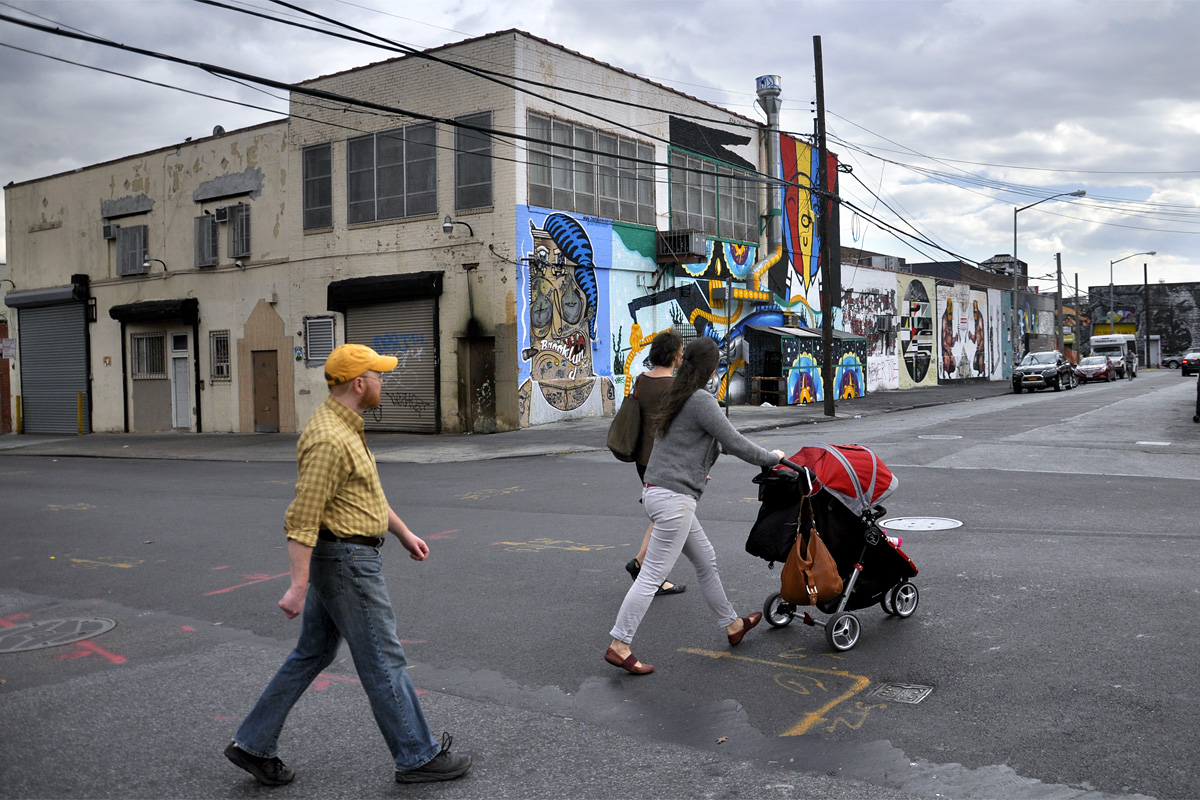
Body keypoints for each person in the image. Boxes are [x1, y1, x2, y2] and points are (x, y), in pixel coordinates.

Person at [223, 343, 471, 786]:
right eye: (379, 375)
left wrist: (403, 532)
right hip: (346, 563)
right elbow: (303, 515)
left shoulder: (345, 426)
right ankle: (417, 755)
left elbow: (365, 496)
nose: (383, 381)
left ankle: (252, 744)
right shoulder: (328, 438)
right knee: (382, 658)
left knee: (312, 652)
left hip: (343, 556)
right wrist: (298, 586)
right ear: (360, 384)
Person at [605, 337, 785, 675]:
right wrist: (771, 459)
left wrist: (697, 471)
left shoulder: (680, 396)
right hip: (674, 500)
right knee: (651, 577)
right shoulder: (701, 400)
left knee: (706, 561)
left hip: (661, 491)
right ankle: (620, 643)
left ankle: (732, 625)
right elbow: (734, 442)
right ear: (712, 369)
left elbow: (688, 446)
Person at [623, 329, 686, 597]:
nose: (682, 355)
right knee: (667, 519)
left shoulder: (641, 381)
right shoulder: (674, 387)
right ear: (673, 355)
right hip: (667, 460)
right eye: (681, 350)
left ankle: (642, 565)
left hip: (642, 458)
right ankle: (646, 570)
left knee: (662, 517)